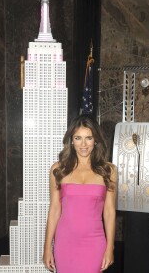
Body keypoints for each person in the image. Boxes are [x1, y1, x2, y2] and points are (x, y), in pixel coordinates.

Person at [43, 114, 117, 273]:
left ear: (95, 140)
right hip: (65, 242)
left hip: (94, 243)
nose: (83, 144)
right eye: (78, 138)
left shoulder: (108, 170)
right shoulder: (58, 169)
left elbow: (110, 212)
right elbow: (55, 210)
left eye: (88, 138)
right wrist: (47, 247)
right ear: (71, 140)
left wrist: (110, 247)